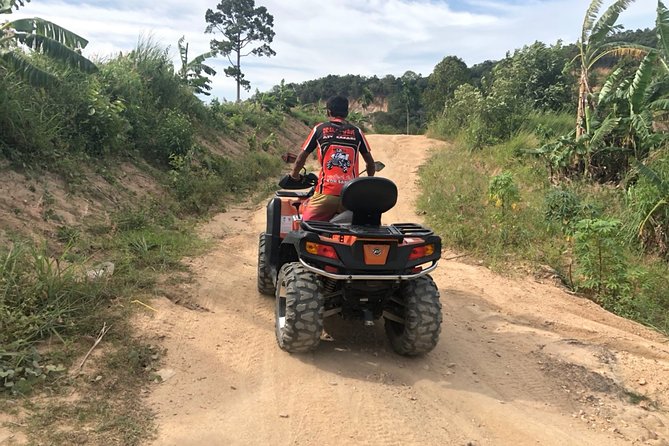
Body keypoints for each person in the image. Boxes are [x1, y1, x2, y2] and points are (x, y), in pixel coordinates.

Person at [290, 95, 375, 221]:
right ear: (346, 112)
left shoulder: (319, 129)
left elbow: (301, 158)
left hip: (325, 195)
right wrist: (368, 180)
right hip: (350, 196)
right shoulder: (357, 132)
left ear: (328, 111)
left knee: (305, 225)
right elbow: (370, 163)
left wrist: (294, 175)